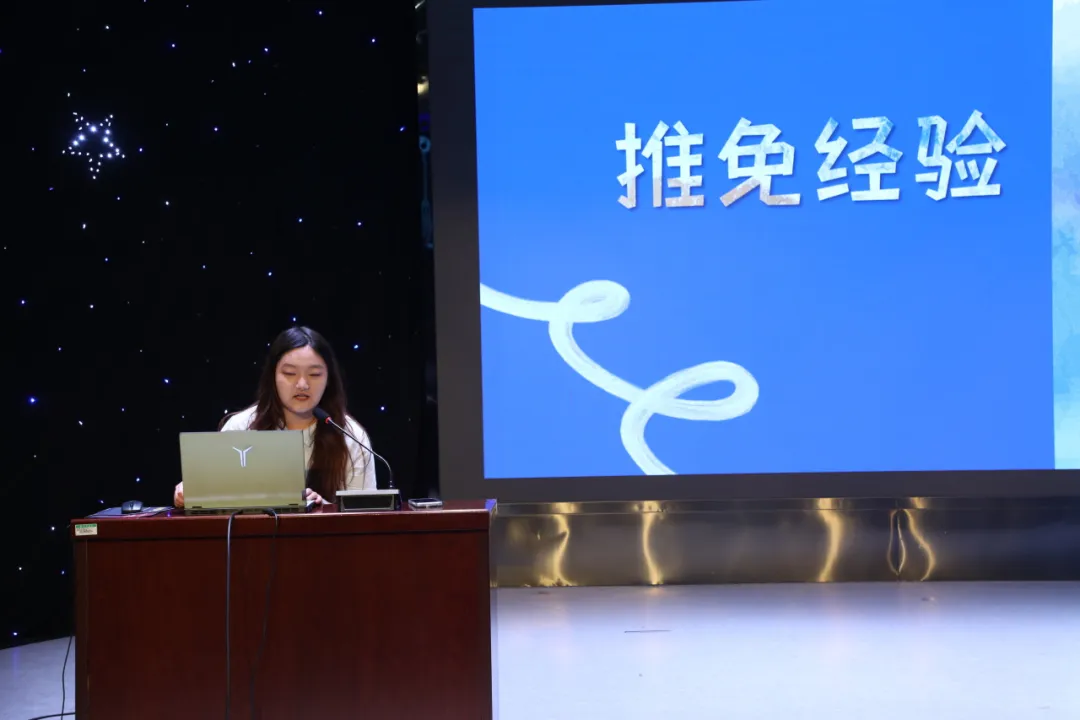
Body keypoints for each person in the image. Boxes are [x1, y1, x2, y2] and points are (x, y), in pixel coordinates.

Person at [173, 326, 376, 508]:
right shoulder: (242, 427)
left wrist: (323, 508)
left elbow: (364, 515)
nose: (302, 384)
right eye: (289, 373)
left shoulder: (351, 437)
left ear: (328, 379)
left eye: (314, 374)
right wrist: (189, 492)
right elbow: (211, 498)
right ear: (273, 376)